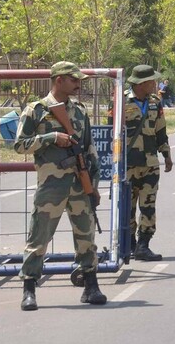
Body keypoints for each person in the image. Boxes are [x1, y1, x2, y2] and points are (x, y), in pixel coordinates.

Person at [14, 61, 106, 310]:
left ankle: (91, 285)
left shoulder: (79, 111)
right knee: (39, 238)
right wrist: (51, 138)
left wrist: (94, 185)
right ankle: (29, 289)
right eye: (74, 80)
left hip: (79, 183)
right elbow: (19, 144)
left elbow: (89, 150)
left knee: (86, 235)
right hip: (51, 186)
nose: (78, 84)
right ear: (58, 80)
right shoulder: (36, 110)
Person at [124, 65, 172, 261]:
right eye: (152, 81)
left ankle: (144, 244)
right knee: (127, 206)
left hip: (150, 164)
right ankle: (130, 244)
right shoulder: (120, 103)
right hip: (127, 165)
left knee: (148, 205)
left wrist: (166, 154)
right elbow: (111, 133)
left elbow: (160, 131)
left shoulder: (155, 103)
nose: (155, 84)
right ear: (142, 84)